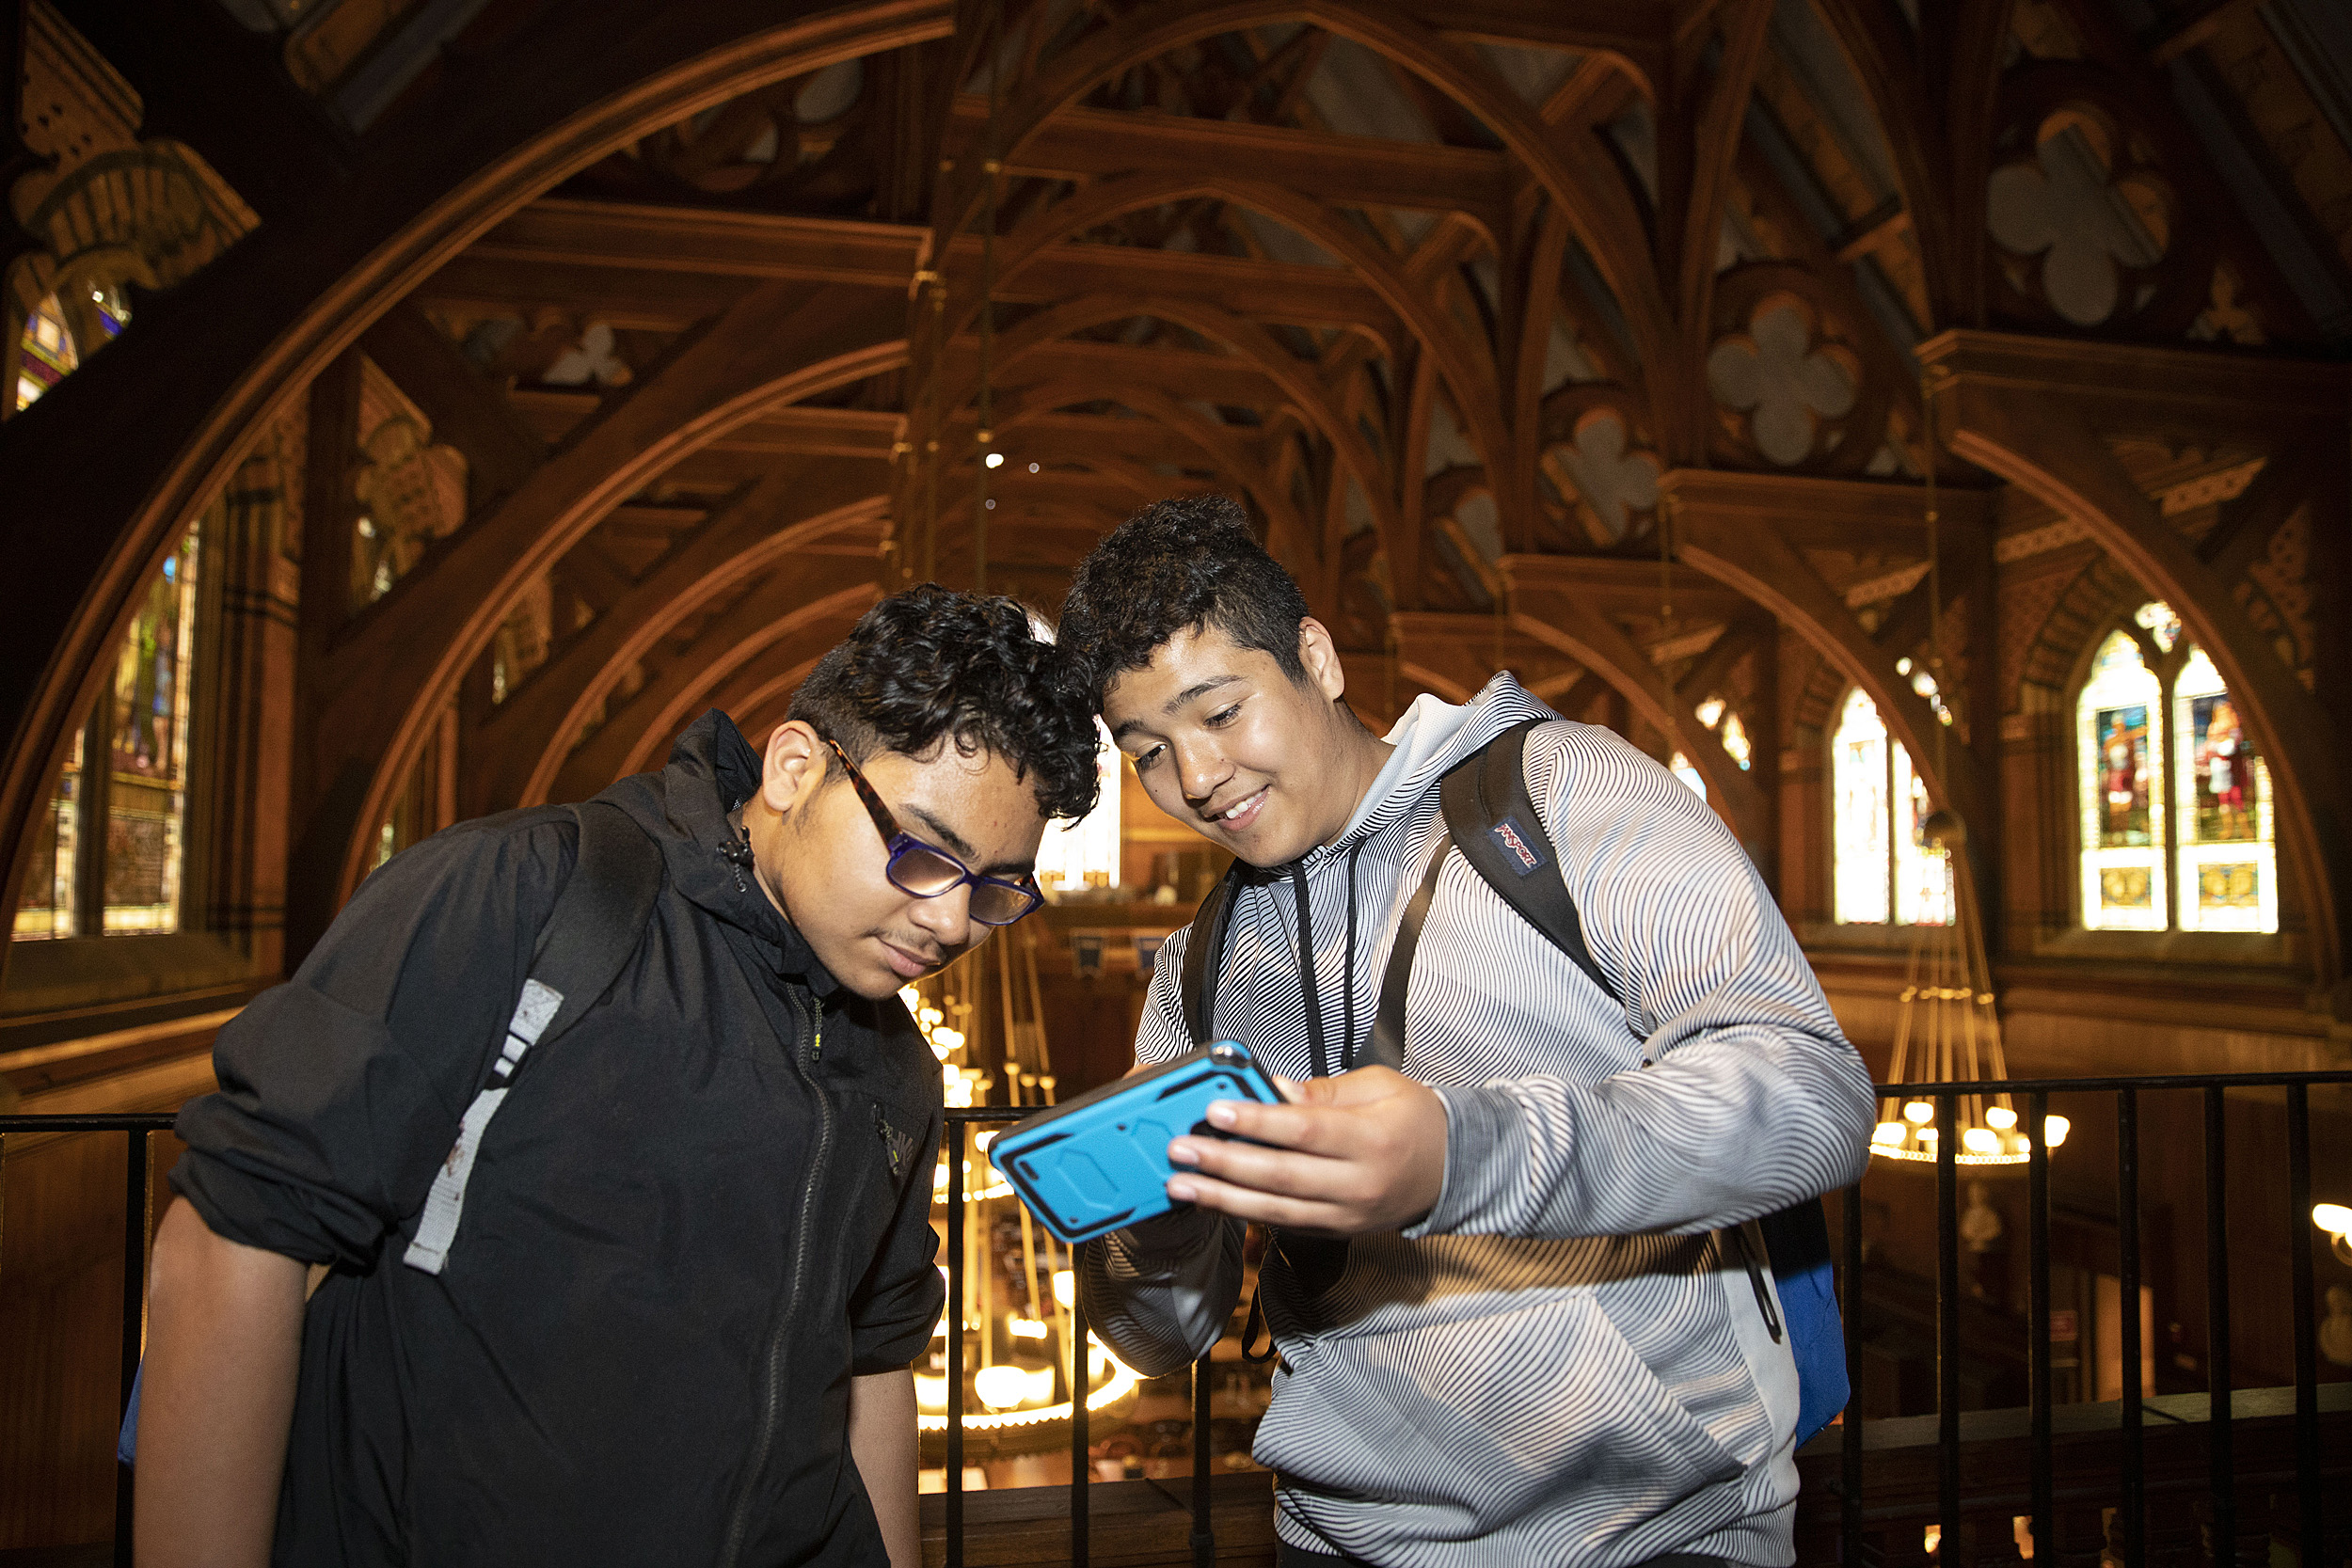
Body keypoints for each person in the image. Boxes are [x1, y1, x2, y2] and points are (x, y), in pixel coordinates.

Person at [138, 587, 1101, 1568]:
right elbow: (232, 1242)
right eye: (922, 852)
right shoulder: (523, 895)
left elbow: (872, 1359)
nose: (950, 923)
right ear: (796, 767)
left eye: (993, 888)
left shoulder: (899, 1063)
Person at [1056, 497, 1874, 1568]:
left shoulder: (1558, 789)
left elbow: (1815, 1097)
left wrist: (1462, 1154)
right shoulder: (1197, 969)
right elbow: (1158, 1340)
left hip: (1653, 1532)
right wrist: (1153, 1229)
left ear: (1316, 657)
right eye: (1147, 749)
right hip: (1331, 1536)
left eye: (1220, 712)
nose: (1195, 780)